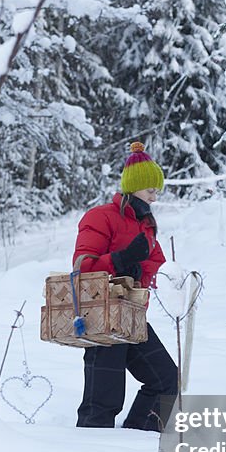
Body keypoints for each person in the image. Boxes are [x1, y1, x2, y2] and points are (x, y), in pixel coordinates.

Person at [73, 142, 178, 431]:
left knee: (167, 380)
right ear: (134, 187)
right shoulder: (100, 216)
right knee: (103, 402)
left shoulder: (147, 226)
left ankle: (136, 440)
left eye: (156, 191)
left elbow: (157, 270)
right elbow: (82, 268)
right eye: (151, 190)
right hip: (101, 316)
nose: (155, 198)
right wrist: (119, 259)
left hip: (132, 316)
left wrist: (168, 278)